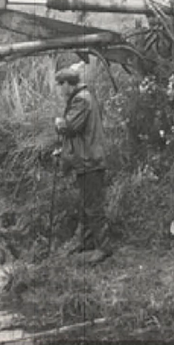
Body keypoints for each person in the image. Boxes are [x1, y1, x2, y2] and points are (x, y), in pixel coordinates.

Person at [54, 65, 112, 264]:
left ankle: (103, 248)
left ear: (68, 84)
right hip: (88, 159)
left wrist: (58, 123)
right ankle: (87, 244)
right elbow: (79, 134)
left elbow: (70, 127)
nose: (60, 90)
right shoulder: (83, 97)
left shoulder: (80, 99)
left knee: (93, 207)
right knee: (86, 205)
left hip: (90, 161)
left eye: (60, 86)